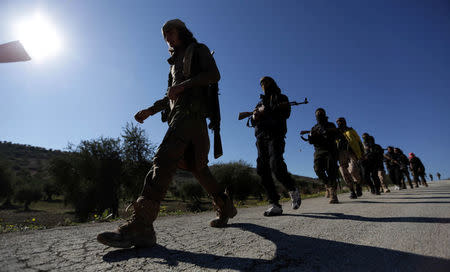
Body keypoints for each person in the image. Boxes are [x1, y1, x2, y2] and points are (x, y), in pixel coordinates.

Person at [97, 19, 237, 248]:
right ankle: (226, 206)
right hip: (183, 117)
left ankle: (142, 225)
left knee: (164, 159)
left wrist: (183, 86)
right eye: (164, 36)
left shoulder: (198, 50)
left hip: (191, 116)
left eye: (170, 33)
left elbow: (213, 75)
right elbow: (170, 96)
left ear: (181, 32)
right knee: (199, 169)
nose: (167, 39)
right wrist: (151, 110)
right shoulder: (173, 66)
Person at [250, 76, 301, 216]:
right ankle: (274, 204)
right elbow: (252, 121)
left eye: (266, 82)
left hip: (275, 135)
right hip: (261, 138)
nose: (264, 85)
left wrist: (269, 111)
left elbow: (286, 113)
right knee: (262, 169)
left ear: (272, 83)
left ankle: (292, 189)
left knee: (276, 165)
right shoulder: (260, 102)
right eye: (261, 83)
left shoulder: (281, 97)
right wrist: (255, 116)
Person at [302, 108, 339, 204]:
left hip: (331, 149)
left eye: (320, 114)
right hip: (319, 150)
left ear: (324, 114)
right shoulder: (314, 127)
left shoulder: (331, 125)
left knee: (331, 169)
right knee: (317, 169)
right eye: (317, 114)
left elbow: (335, 134)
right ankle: (328, 185)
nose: (319, 116)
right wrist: (311, 136)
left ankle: (333, 193)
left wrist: (326, 132)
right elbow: (311, 142)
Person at [335, 117, 364, 199]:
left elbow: (359, 141)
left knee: (353, 170)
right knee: (344, 173)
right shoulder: (336, 131)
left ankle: (358, 184)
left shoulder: (351, 130)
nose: (339, 123)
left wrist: (362, 153)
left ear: (344, 122)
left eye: (340, 121)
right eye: (337, 122)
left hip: (352, 152)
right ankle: (352, 191)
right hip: (340, 154)